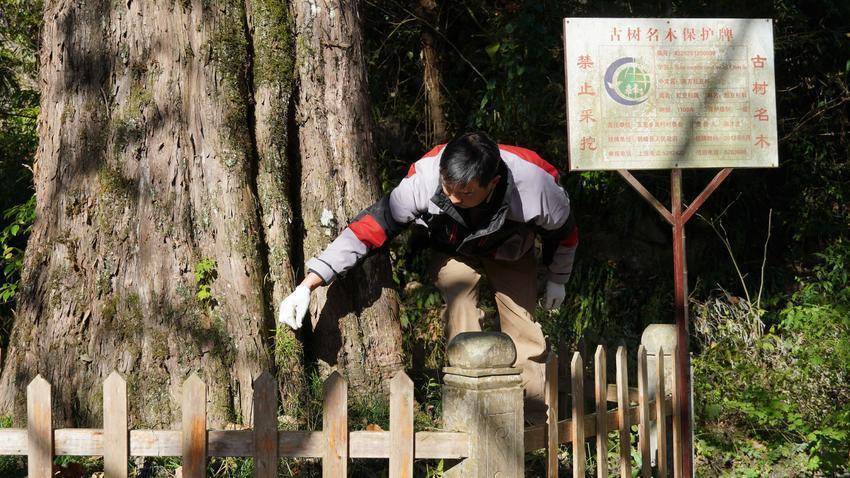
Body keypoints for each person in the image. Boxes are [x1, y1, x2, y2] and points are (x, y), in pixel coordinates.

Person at [278, 132, 577, 424]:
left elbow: (564, 235)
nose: (452, 198)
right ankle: (468, 414)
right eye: (447, 188)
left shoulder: (535, 186)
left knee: (523, 326)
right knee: (460, 307)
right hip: (453, 248)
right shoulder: (424, 180)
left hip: (511, 249)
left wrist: (558, 279)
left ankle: (535, 422)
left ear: (493, 183)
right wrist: (308, 284)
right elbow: (368, 229)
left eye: (466, 193)